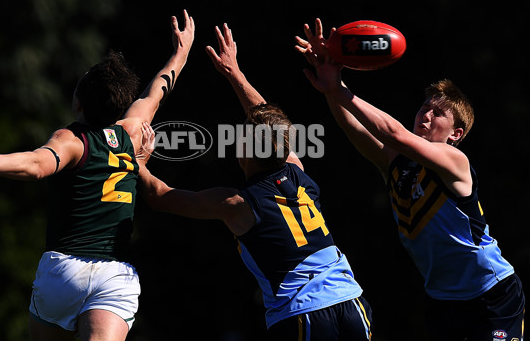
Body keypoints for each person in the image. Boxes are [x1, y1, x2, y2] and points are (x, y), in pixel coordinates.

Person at [0, 10, 195, 341]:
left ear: (79, 103)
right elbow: (156, 91)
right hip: (114, 274)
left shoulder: (73, 140)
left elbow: (37, 165)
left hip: (64, 271)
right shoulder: (131, 133)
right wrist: (181, 52)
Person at [136, 23, 373, 340]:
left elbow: (159, 196)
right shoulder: (297, 170)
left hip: (302, 314)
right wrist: (235, 73)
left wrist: (136, 162)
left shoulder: (236, 203)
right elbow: (270, 122)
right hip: (351, 301)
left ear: (244, 149)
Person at [295, 18, 525, 340]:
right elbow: (356, 130)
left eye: (438, 113)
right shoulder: (396, 165)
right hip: (442, 299)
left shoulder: (454, 161)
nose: (426, 114)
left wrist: (341, 91)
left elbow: (394, 133)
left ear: (456, 134)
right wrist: (333, 86)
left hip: (493, 294)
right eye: (425, 106)